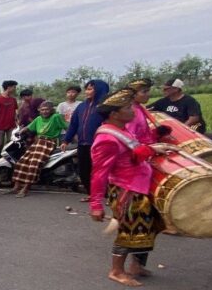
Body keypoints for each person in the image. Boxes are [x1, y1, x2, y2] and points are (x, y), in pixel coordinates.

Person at [90, 88, 175, 287]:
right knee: (129, 232)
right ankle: (116, 271)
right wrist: (96, 204)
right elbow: (98, 174)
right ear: (114, 114)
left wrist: (154, 145)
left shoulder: (123, 129)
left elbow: (134, 153)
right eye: (128, 108)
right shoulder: (106, 139)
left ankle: (136, 265)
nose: (133, 111)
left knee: (149, 228)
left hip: (141, 185)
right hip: (126, 191)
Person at [62, 79, 110, 201]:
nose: (86, 92)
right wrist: (66, 140)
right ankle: (92, 194)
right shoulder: (81, 106)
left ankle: (109, 196)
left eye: (90, 89)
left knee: (102, 171)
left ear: (99, 90)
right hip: (83, 143)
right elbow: (73, 124)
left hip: (100, 144)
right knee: (84, 171)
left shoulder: (106, 107)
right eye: (86, 89)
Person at [8, 102, 67, 198]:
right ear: (39, 110)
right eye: (42, 109)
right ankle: (16, 186)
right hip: (37, 142)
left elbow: (66, 127)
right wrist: (19, 132)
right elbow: (29, 127)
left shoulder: (56, 117)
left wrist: (68, 140)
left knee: (34, 163)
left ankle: (26, 188)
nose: (44, 111)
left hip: (48, 143)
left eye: (47, 109)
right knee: (22, 161)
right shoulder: (39, 119)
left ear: (51, 110)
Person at [0, 80, 19, 147]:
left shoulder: (13, 99)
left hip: (11, 125)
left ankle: (8, 156)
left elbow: (15, 112)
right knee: (0, 144)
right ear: (9, 87)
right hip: (0, 126)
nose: (15, 89)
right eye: (14, 87)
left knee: (11, 143)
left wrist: (17, 122)